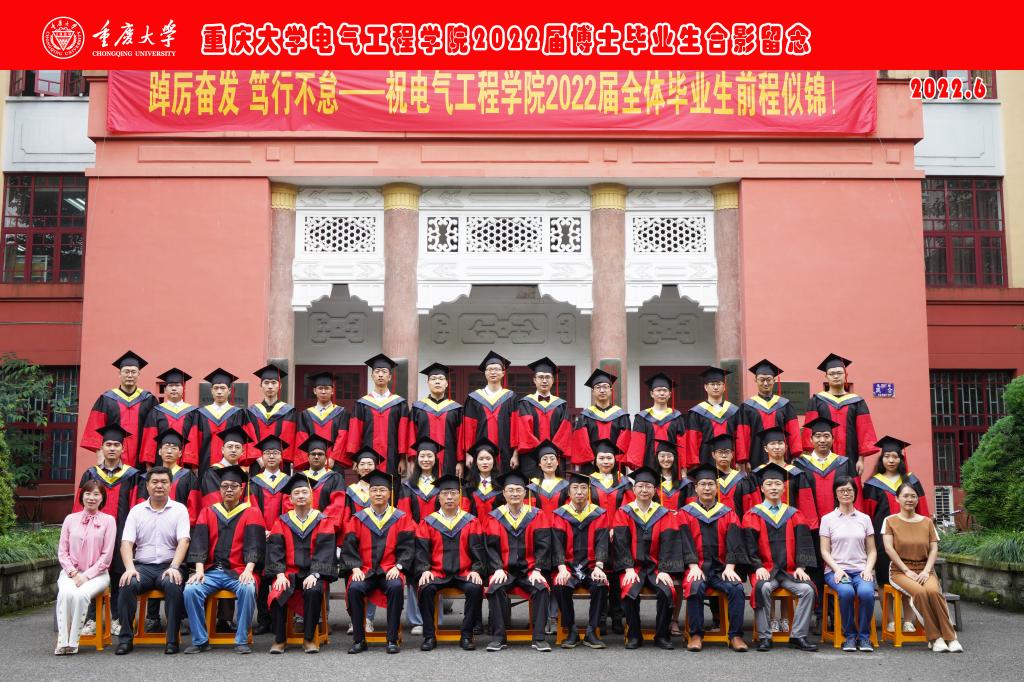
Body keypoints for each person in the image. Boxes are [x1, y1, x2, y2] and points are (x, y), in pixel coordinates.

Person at [184, 465, 266, 654]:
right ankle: (200, 640)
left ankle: (241, 639)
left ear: (241, 489)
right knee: (191, 590)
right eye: (225, 486)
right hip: (211, 571)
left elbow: (255, 544)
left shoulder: (252, 512)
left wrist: (249, 570)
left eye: (234, 486)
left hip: (239, 571)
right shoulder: (208, 512)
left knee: (248, 588)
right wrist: (199, 571)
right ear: (219, 489)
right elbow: (199, 543)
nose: (229, 490)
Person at [611, 466, 694, 650]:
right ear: (634, 489)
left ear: (655, 490)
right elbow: (620, 542)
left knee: (667, 591)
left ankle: (662, 635)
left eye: (648, 486)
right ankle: (634, 635)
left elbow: (669, 543)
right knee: (628, 591)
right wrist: (628, 569)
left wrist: (664, 570)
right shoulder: (623, 512)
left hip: (656, 567)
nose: (644, 490)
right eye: (640, 486)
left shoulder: (664, 514)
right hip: (634, 567)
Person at [73, 424, 141, 636]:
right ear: (101, 447)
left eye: (116, 445)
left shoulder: (132, 475)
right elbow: (80, 505)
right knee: (93, 573)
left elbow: (137, 506)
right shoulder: (90, 474)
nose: (112, 448)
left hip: (122, 533)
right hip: (94, 534)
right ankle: (91, 619)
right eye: (108, 444)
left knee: (120, 575)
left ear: (122, 448)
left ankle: (117, 619)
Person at [115, 466, 191, 655]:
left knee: (173, 585)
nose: (159, 486)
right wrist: (129, 568)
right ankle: (125, 640)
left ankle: (172, 641)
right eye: (155, 482)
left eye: (164, 482)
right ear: (147, 485)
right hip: (143, 567)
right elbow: (126, 543)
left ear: (170, 485)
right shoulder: (136, 511)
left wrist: (174, 566)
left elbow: (184, 541)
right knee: (127, 584)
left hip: (169, 565)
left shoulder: (180, 510)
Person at [743, 463, 818, 652]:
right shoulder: (753, 515)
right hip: (766, 570)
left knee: (808, 589)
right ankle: (765, 637)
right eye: (769, 484)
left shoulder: (794, 514)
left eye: (777, 484)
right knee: (762, 588)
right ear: (762, 488)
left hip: (790, 571)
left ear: (784, 488)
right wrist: (757, 566)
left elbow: (803, 541)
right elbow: (749, 546)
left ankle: (798, 635)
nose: (774, 488)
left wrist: (801, 566)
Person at [341, 470, 416, 654]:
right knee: (355, 588)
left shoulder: (400, 517)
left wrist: (399, 566)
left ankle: (392, 639)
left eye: (382, 490)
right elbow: (348, 546)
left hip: (389, 570)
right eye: (374, 490)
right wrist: (355, 568)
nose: (378, 494)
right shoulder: (358, 518)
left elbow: (408, 546)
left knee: (396, 587)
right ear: (369, 493)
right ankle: (359, 640)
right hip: (365, 571)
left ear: (389, 493)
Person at [479, 470, 555, 652]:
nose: (515, 494)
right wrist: (497, 568)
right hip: (504, 570)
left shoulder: (536, 515)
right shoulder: (494, 517)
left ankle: (539, 638)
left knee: (541, 588)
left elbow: (544, 544)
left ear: (525, 493)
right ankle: (498, 638)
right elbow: (490, 547)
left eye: (518, 490)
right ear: (504, 493)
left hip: (529, 570)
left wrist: (538, 569)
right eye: (510, 490)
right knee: (495, 588)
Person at [883, 483, 962, 653]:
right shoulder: (890, 521)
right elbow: (889, 549)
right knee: (919, 593)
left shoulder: (927, 522)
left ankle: (951, 637)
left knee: (934, 592)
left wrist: (926, 571)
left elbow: (933, 549)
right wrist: (906, 571)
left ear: (917, 499)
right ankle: (935, 637)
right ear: (897, 499)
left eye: (913, 496)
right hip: (900, 571)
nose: (909, 499)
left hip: (925, 569)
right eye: (905, 496)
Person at [862, 436, 930, 634]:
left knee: (909, 579)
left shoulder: (911, 481)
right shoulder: (873, 484)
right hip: (882, 540)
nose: (891, 460)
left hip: (910, 539)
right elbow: (868, 514)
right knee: (884, 580)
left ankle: (908, 620)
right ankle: (890, 619)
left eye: (895, 456)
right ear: (881, 459)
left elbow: (923, 509)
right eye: (887, 456)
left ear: (901, 458)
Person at [136, 429, 201, 633]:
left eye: (174, 447)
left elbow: (193, 506)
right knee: (151, 565)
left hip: (180, 534)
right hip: (152, 531)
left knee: (177, 574)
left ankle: (178, 617)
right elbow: (141, 505)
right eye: (166, 447)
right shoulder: (148, 478)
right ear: (159, 451)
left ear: (181, 452)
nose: (170, 450)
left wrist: (186, 531)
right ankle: (152, 617)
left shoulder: (188, 476)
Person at [679, 464, 749, 652]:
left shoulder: (727, 512)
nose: (707, 488)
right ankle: (696, 634)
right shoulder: (686, 513)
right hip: (697, 567)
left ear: (717, 488)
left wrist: (730, 566)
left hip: (721, 570)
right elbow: (684, 541)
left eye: (711, 484)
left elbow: (734, 541)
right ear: (696, 488)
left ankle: (736, 635)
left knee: (736, 589)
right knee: (695, 586)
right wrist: (692, 565)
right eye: (703, 484)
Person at [265, 474, 338, 654]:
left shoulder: (322, 520)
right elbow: (275, 549)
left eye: (305, 492)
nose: (301, 496)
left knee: (313, 590)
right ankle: (279, 639)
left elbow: (325, 550)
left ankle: (308, 638)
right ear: (290, 499)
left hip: (313, 573)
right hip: (288, 572)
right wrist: (279, 574)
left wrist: (315, 574)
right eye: (296, 493)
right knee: (278, 589)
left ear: (312, 495)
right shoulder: (282, 521)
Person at [414, 474, 487, 651]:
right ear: (438, 497)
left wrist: (476, 569)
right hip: (437, 572)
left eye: (453, 493)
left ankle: (467, 635)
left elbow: (478, 550)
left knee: (475, 588)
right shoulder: (428, 522)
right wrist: (424, 569)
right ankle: (429, 636)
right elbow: (421, 551)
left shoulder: (471, 521)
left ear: (459, 497)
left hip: (464, 572)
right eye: (445, 494)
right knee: (425, 587)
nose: (449, 497)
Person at [550, 471, 611, 649]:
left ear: (589, 491)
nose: (579, 492)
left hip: (591, 566)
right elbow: (557, 543)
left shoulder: (599, 514)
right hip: (568, 567)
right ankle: (571, 630)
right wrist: (561, 568)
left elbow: (602, 541)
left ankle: (592, 631)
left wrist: (599, 566)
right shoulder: (560, 514)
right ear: (568, 492)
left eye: (584, 488)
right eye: (575, 488)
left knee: (601, 584)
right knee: (560, 585)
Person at [55, 481, 116, 655]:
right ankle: (62, 642)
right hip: (71, 572)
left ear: (102, 498)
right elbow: (62, 552)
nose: (91, 498)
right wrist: (73, 573)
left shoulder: (109, 521)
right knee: (65, 594)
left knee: (81, 595)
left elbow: (106, 556)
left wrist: (86, 576)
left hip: (98, 574)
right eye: (88, 494)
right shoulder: (70, 519)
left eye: (96, 494)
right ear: (82, 496)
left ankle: (73, 642)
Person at [819, 475, 877, 652]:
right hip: (836, 571)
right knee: (846, 592)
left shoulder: (864, 519)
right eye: (841, 490)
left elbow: (872, 550)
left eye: (849, 490)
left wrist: (868, 569)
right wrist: (837, 569)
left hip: (861, 570)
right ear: (835, 494)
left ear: (855, 493)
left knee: (866, 593)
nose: (845, 493)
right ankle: (850, 636)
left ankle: (864, 637)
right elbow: (824, 551)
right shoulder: (827, 519)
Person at [802, 353, 879, 475]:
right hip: (822, 459)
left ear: (845, 375)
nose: (836, 376)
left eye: (839, 373)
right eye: (832, 374)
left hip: (851, 457)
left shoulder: (857, 402)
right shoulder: (816, 401)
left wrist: (861, 460)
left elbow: (864, 432)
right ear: (826, 376)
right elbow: (810, 431)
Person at [81, 350, 158, 468]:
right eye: (126, 371)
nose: (130, 375)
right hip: (112, 461)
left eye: (133, 372)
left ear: (139, 374)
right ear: (119, 374)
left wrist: (149, 462)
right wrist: (100, 456)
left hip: (141, 462)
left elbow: (153, 431)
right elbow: (95, 427)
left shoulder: (148, 400)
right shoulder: (107, 399)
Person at [347, 354, 412, 476]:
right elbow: (355, 431)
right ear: (372, 376)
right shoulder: (362, 403)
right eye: (377, 372)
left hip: (393, 458)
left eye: (384, 372)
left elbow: (403, 432)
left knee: (391, 486)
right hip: (366, 460)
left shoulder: (399, 403)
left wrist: (403, 458)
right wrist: (356, 457)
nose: (380, 375)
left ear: (390, 377)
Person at [736, 359, 803, 469]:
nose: (765, 383)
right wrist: (744, 459)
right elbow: (743, 434)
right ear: (755, 380)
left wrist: (796, 454)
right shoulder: (747, 407)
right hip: (756, 456)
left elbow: (793, 431)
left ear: (774, 380)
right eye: (761, 380)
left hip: (782, 457)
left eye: (769, 379)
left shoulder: (784, 405)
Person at [514, 357, 573, 477]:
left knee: (556, 486)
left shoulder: (561, 405)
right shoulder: (525, 403)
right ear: (534, 380)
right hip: (531, 457)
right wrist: (540, 451)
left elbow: (564, 432)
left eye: (547, 377)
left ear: (553, 380)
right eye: (540, 377)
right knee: (532, 487)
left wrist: (550, 452)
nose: (544, 380)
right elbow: (524, 431)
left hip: (555, 456)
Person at [462, 350, 519, 472]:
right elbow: (469, 428)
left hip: (505, 452)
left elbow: (515, 427)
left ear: (503, 373)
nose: (493, 372)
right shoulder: (474, 398)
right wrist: (468, 453)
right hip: (480, 453)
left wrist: (515, 453)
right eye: (490, 369)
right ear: (485, 373)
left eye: (497, 369)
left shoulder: (511, 397)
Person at [409, 362, 465, 477]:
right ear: (428, 383)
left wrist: (460, 461)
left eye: (441, 378)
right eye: (433, 379)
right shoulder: (418, 408)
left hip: (449, 460)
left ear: (446, 383)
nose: (437, 381)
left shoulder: (456, 409)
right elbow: (411, 435)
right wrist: (412, 459)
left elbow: (461, 437)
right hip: (423, 460)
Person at [195, 368, 251, 478]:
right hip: (205, 464)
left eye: (223, 388)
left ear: (229, 391)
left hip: (232, 465)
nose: (219, 392)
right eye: (216, 388)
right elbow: (195, 441)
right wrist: (194, 465)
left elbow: (243, 442)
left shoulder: (238, 413)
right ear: (211, 390)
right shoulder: (201, 414)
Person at [139, 368, 200, 469]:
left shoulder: (193, 412)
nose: (174, 389)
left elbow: (194, 439)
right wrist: (148, 464)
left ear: (183, 389)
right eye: (171, 386)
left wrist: (192, 464)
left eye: (177, 385)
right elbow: (150, 438)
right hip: (160, 463)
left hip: (185, 463)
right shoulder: (156, 411)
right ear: (165, 390)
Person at [571, 368, 632, 469]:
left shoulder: (621, 416)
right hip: (590, 465)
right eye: (598, 387)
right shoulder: (585, 416)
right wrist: (592, 459)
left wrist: (614, 458)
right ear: (593, 391)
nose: (602, 390)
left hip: (614, 463)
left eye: (605, 387)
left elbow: (625, 440)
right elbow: (581, 441)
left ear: (611, 390)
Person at [625, 373, 686, 470]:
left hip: (672, 468)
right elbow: (637, 445)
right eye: (658, 390)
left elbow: (682, 445)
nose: (662, 393)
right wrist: (638, 470)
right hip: (648, 467)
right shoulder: (642, 417)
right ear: (652, 394)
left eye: (665, 390)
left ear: (670, 394)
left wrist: (683, 468)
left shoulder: (677, 417)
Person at [685, 366, 741, 469]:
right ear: (706, 387)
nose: (716, 387)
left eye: (719, 384)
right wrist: (694, 462)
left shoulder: (734, 411)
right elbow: (693, 439)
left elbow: (739, 437)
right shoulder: (697, 412)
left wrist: (740, 460)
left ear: (724, 387)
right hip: (705, 461)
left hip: (730, 462)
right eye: (712, 384)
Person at [295, 371, 350, 471]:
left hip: (334, 464)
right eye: (320, 388)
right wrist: (311, 459)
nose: (323, 391)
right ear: (314, 391)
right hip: (312, 463)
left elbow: (343, 437)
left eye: (327, 388)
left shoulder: (342, 413)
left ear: (332, 391)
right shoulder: (305, 414)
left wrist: (333, 458)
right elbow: (302, 438)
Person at [244, 364, 297, 468]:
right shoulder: (251, 412)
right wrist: (258, 457)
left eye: (273, 382)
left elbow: (289, 437)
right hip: (258, 463)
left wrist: (277, 458)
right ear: (261, 385)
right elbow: (249, 436)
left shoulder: (289, 411)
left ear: (280, 385)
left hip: (281, 463)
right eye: (266, 382)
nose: (270, 386)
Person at [198, 425, 252, 508]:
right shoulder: (212, 472)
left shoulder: (244, 474)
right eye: (230, 447)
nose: (233, 450)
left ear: (242, 452)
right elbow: (212, 501)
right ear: (222, 450)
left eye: (237, 447)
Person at [710, 434, 761, 516]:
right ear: (713, 454)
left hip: (738, 523)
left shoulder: (743, 480)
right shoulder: (708, 480)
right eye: (720, 452)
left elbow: (750, 508)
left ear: (732, 454)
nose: (724, 456)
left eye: (727, 452)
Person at [526, 441, 570, 514]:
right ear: (539, 464)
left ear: (557, 462)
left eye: (552, 459)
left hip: (560, 521)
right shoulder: (533, 486)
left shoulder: (565, 485)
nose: (549, 462)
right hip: (539, 521)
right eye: (545, 459)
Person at [465, 439, 505, 519]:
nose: (485, 462)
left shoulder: (502, 485)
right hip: (474, 526)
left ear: (494, 461)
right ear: (476, 462)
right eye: (481, 459)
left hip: (496, 526)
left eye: (488, 458)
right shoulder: (468, 486)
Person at [654, 440, 694, 512]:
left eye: (669, 456)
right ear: (657, 458)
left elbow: (691, 506)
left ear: (675, 458)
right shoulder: (652, 482)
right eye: (662, 456)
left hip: (680, 518)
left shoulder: (685, 484)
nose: (666, 459)